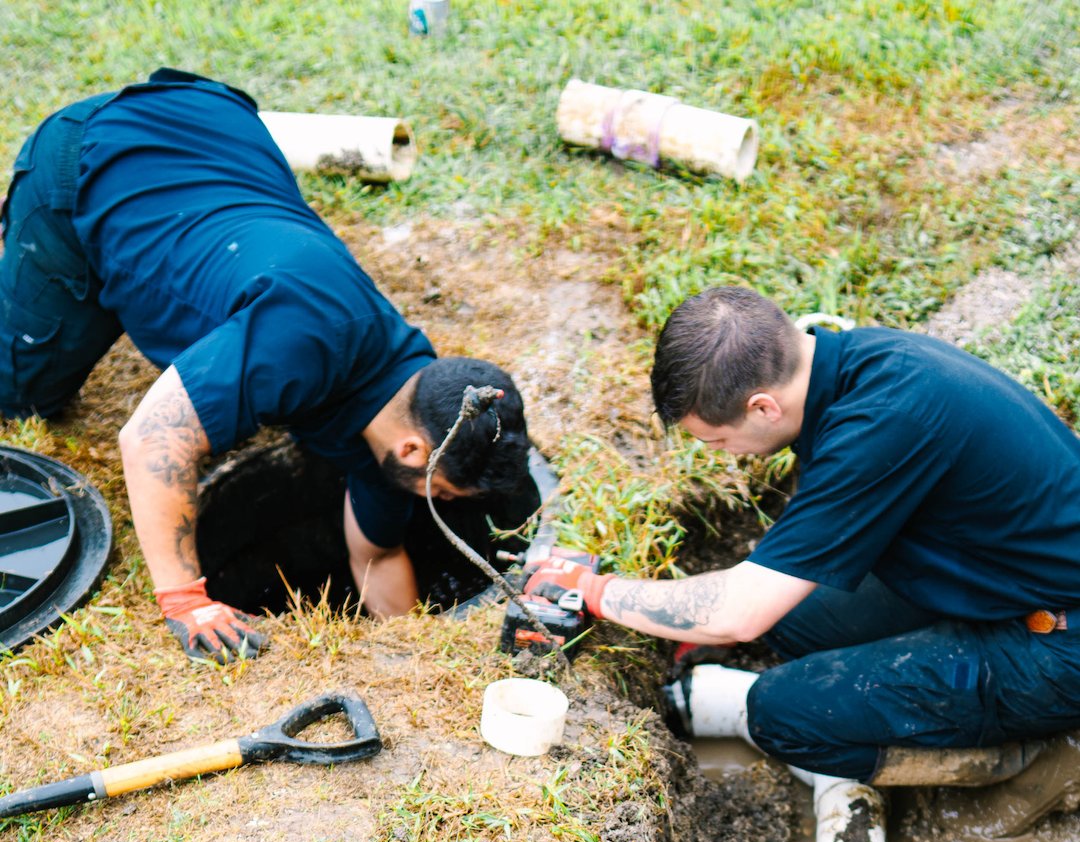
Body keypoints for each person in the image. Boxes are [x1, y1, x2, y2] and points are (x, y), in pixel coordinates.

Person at [0, 69, 529, 662]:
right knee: (20, 392)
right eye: (448, 493)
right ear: (413, 451)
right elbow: (152, 438)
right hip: (101, 152)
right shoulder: (304, 340)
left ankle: (129, 253)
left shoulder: (406, 408)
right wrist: (185, 600)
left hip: (222, 136)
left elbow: (377, 557)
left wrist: (412, 658)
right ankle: (63, 244)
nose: (445, 504)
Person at [526, 285, 1080, 783]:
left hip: (1056, 640)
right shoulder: (858, 366)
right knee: (790, 618)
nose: (724, 457)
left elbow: (738, 612)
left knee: (783, 716)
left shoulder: (883, 425)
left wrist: (594, 592)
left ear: (762, 406)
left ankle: (1015, 763)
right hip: (1001, 578)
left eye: (716, 442)